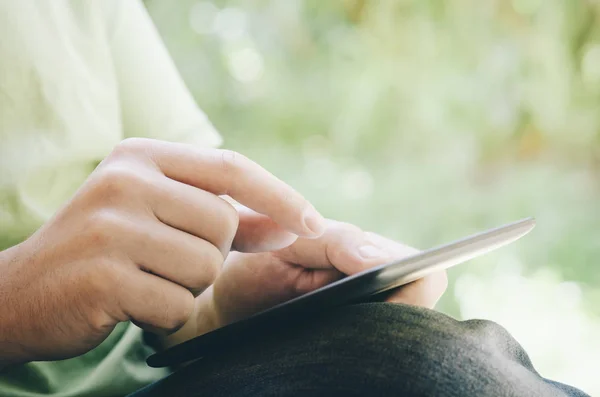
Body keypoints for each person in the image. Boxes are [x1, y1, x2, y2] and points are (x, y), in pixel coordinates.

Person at [0, 1, 589, 396]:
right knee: (434, 372)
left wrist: (217, 303)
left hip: (148, 375)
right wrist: (16, 301)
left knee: (424, 356)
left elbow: (181, 219)